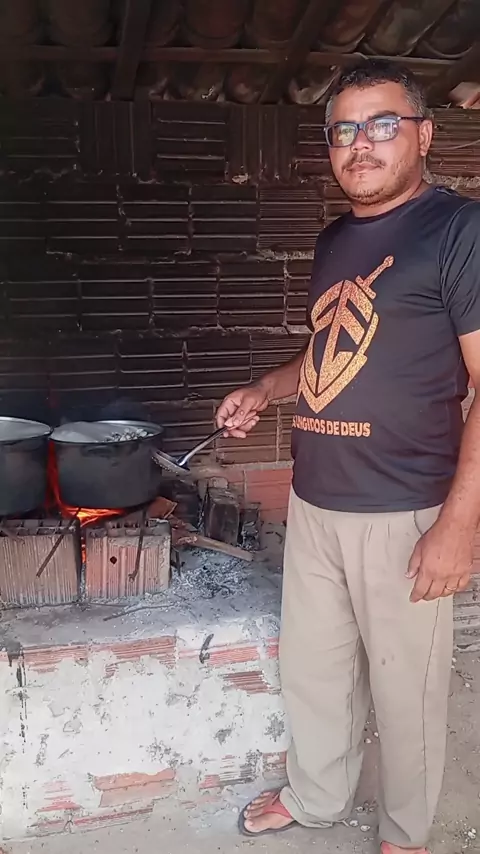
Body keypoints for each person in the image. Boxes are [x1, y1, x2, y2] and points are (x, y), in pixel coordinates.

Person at [216, 59, 480, 854]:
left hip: (405, 508)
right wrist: (267, 388)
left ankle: (405, 830)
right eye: (344, 130)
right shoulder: (336, 240)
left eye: (383, 124)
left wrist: (459, 526)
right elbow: (333, 349)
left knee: (406, 690)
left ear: (424, 135)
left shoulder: (459, 231)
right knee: (316, 672)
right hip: (316, 497)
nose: (361, 143)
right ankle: (317, 797)